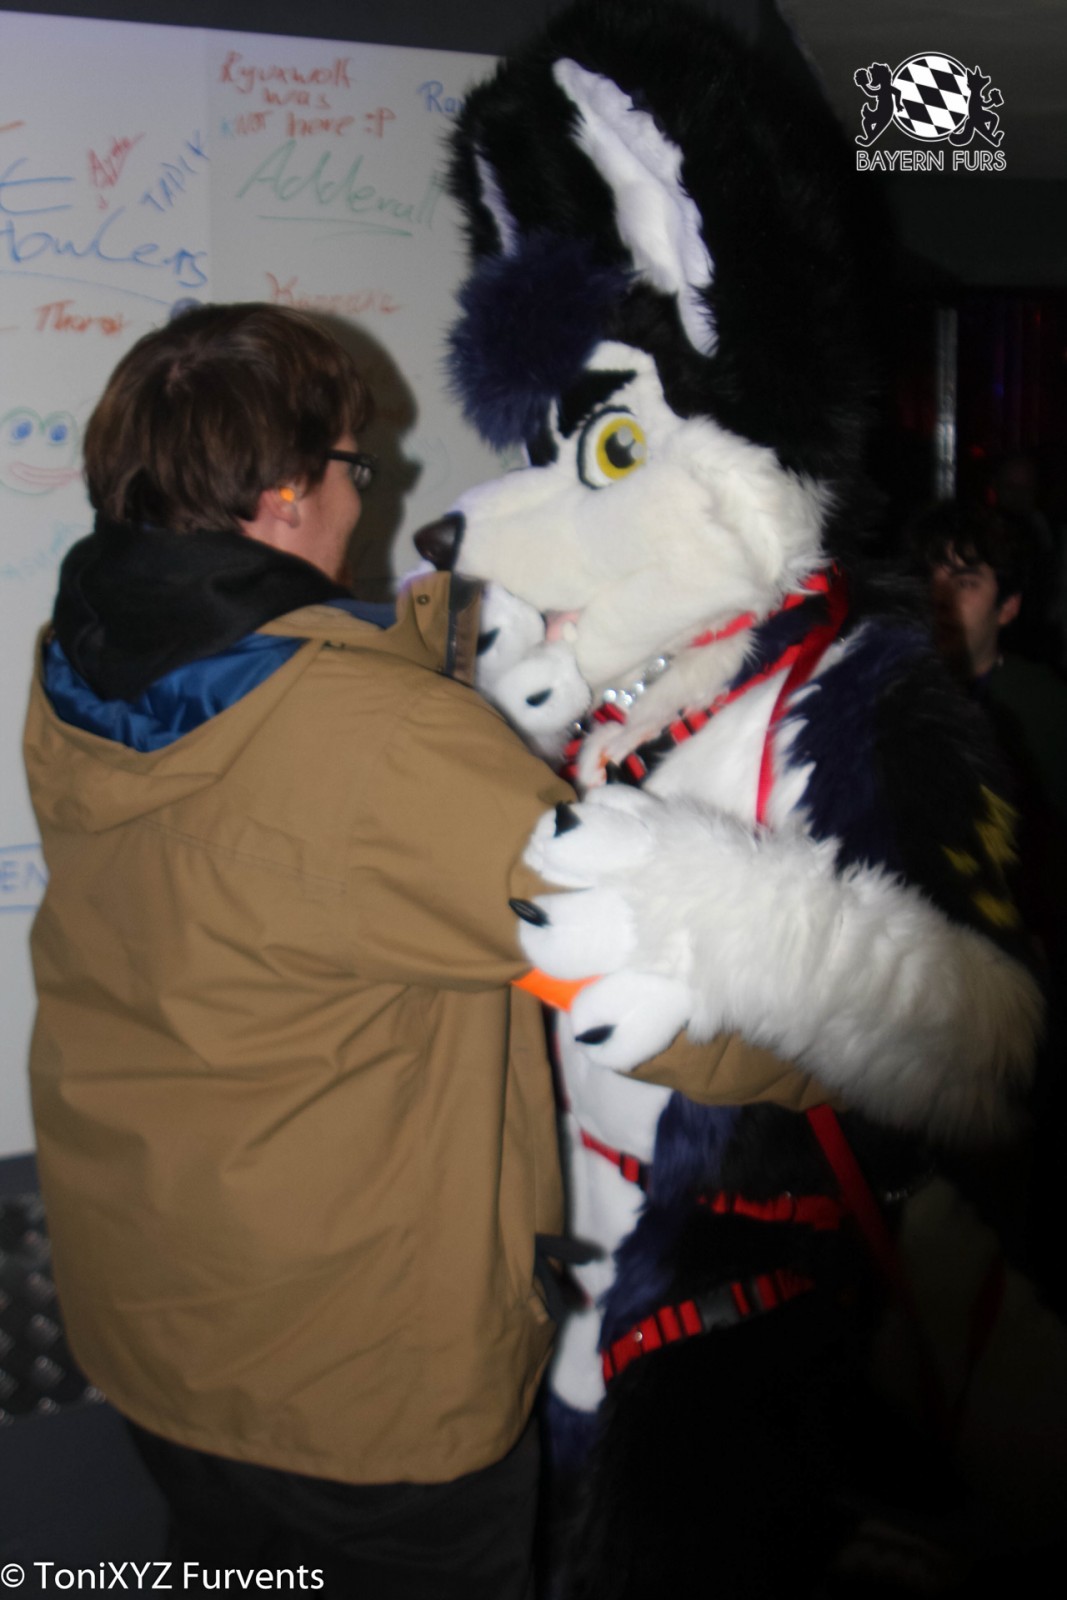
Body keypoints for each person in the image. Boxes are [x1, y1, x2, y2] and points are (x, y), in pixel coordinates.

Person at [23, 303, 577, 1598]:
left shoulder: (75, 663)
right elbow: (656, 960)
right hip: (360, 1385)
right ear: (284, 496)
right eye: (353, 466)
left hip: (163, 1321)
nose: (363, 497)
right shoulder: (391, 744)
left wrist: (418, 653)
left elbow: (278, 823)